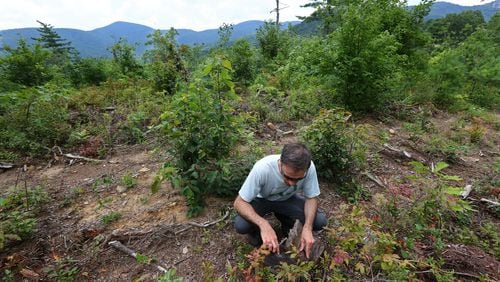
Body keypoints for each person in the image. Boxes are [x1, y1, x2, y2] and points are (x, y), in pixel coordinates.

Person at [233, 143, 327, 258]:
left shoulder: (309, 168)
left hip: (287, 199)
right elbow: (239, 202)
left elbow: (311, 198)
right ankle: (255, 233)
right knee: (241, 225)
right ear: (280, 163)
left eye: (298, 179)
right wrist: (264, 224)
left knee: (319, 222)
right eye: (287, 177)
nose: (292, 183)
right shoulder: (263, 168)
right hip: (262, 200)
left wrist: (308, 227)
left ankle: (286, 222)